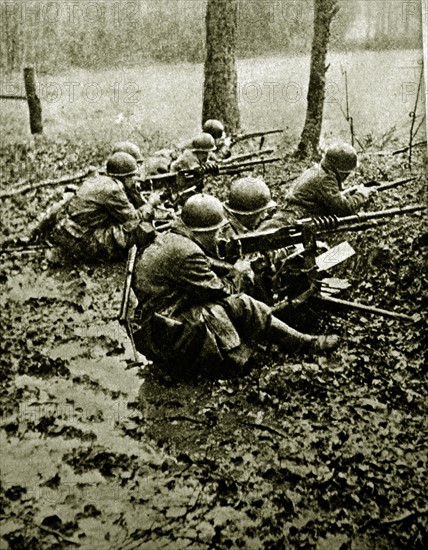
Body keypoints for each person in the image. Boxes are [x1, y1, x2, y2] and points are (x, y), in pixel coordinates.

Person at [131, 193, 340, 378]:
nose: (218, 237)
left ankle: (274, 332)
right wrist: (239, 272)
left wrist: (232, 267)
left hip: (160, 322)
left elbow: (210, 265)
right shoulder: (187, 253)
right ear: (198, 232)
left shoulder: (173, 239)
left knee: (236, 301)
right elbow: (221, 291)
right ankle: (304, 344)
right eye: (214, 232)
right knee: (240, 303)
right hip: (166, 335)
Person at [46, 152, 161, 262]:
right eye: (132, 177)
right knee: (141, 229)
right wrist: (151, 203)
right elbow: (134, 219)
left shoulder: (98, 180)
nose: (134, 181)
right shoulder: (113, 189)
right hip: (84, 241)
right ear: (125, 177)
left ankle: (65, 252)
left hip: (68, 232)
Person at [285, 143, 371, 218]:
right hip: (296, 221)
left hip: (291, 215)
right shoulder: (325, 178)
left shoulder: (318, 170)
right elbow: (343, 209)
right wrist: (361, 195)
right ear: (342, 171)